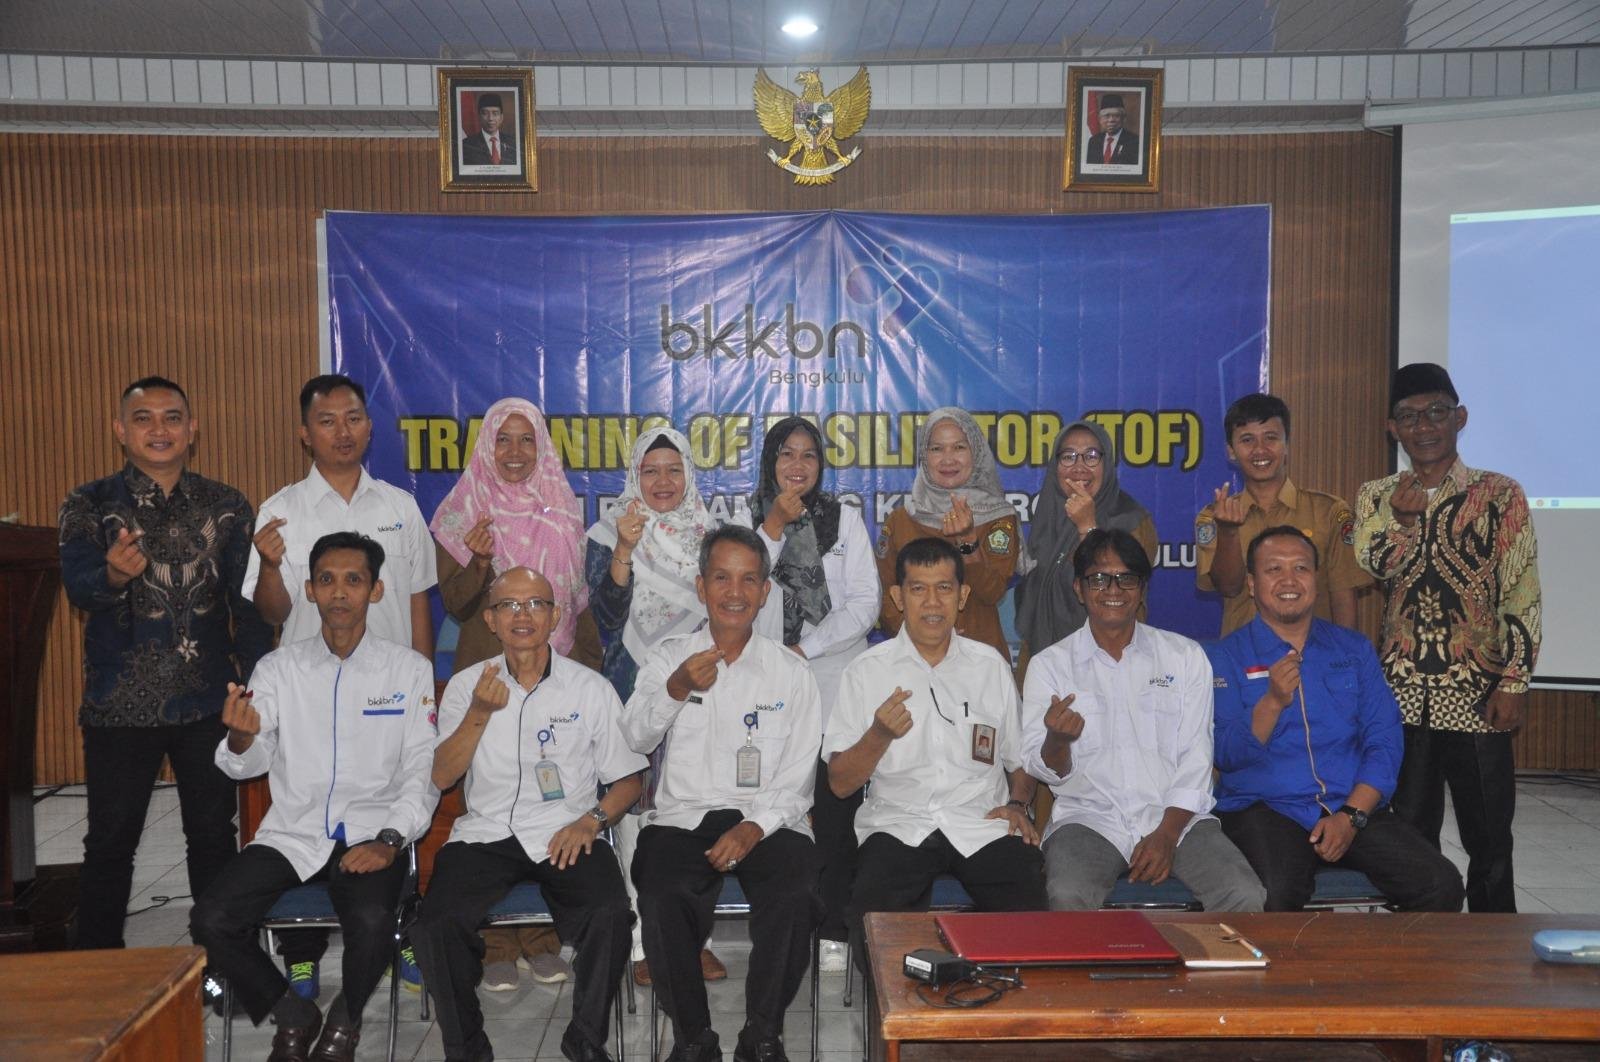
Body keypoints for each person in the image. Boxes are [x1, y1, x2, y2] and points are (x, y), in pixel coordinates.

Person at [190, 532, 437, 1062]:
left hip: (373, 832)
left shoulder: (409, 670)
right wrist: (240, 738)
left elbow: (423, 771)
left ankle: (344, 1023)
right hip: (293, 831)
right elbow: (248, 762)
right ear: (309, 590)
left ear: (375, 590)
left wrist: (391, 839)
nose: (339, 592)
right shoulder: (278, 669)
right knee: (211, 917)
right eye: (326, 580)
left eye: (353, 580)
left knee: (373, 920)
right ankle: (291, 1014)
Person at [58, 375, 272, 950]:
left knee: (212, 837)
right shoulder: (89, 503)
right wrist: (111, 576)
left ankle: (224, 967)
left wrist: (255, 689)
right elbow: (78, 589)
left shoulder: (227, 506)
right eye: (144, 418)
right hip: (120, 704)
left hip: (208, 700)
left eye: (172, 417)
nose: (159, 429)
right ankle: (101, 972)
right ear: (120, 430)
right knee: (110, 843)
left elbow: (248, 609)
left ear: (192, 429)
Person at [244, 372, 438, 995]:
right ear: (305, 434)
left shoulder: (399, 507)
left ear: (369, 426)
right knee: (307, 814)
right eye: (326, 421)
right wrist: (270, 565)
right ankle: (301, 955)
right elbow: (272, 613)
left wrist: (423, 687)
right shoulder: (280, 511)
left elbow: (418, 603)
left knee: (392, 811)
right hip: (309, 695)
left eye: (352, 418)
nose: (342, 431)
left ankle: (397, 937)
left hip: (387, 695)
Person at [412, 567, 644, 1062]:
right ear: (491, 620)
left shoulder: (589, 688)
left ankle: (585, 1040)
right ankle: (466, 1047)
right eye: (509, 606)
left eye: (536, 603)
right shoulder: (466, 685)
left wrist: (592, 820)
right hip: (485, 833)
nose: (523, 615)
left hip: (568, 830)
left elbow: (629, 781)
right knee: (434, 925)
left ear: (555, 617)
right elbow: (442, 775)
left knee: (610, 915)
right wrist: (478, 713)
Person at [623, 525, 822, 1062]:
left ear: (765, 591)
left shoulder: (791, 672)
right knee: (660, 891)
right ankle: (693, 1039)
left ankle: (761, 1035)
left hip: (767, 818)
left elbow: (800, 776)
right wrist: (676, 688)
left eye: (749, 580)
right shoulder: (668, 658)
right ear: (701, 586)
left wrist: (755, 826)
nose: (735, 592)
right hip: (683, 817)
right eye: (721, 578)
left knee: (797, 891)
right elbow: (635, 738)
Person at [1354, 363, 1541, 912]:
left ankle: (1492, 945)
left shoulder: (1500, 494)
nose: (1425, 426)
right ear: (1392, 429)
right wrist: (1403, 523)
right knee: (1411, 839)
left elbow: (1522, 593)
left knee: (1490, 838)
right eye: (1409, 417)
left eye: (1437, 412)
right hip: (1401, 696)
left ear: (1460, 417)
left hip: (1478, 694)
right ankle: (1420, 946)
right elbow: (1372, 564)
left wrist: (1515, 682)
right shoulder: (1376, 495)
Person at [1205, 526, 1465, 913]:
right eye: (1274, 569)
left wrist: (1352, 815)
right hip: (1265, 808)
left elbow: (1384, 739)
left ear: (1316, 579)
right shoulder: (1224, 656)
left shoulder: (1353, 649)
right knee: (1275, 893)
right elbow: (1226, 754)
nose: (1289, 580)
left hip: (1349, 805)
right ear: (1252, 584)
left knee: (1440, 884)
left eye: (1301, 568)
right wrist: (1272, 703)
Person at [826, 537, 1046, 978]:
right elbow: (840, 783)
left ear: (962, 596)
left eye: (944, 588)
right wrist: (879, 734)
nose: (932, 602)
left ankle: (996, 1009)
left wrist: (1019, 804)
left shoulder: (990, 666)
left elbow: (1019, 758)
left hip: (980, 822)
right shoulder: (866, 671)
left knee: (1031, 917)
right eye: (918, 589)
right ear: (897, 597)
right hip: (898, 824)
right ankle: (905, 1017)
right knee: (874, 931)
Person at [430, 398, 592, 987]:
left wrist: (587, 669)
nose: (516, 452)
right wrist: (479, 560)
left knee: (550, 799)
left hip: (554, 674)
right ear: (487, 446)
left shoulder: (563, 508)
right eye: (504, 439)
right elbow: (456, 603)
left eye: (528, 440)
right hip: (489, 675)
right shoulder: (463, 511)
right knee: (493, 803)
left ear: (542, 446)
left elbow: (575, 600)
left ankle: (542, 937)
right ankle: (496, 944)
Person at [1021, 529, 1264, 911]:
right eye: (1098, 579)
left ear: (1142, 588)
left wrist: (1166, 834)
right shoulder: (1049, 666)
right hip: (1089, 819)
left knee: (1244, 894)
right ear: (1079, 589)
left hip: (1178, 820)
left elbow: (1197, 758)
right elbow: (1046, 769)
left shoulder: (1184, 657)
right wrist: (1058, 740)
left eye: (1126, 578)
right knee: (1067, 895)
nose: (1113, 589)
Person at [584, 427, 725, 986]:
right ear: (634, 476)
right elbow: (606, 618)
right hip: (631, 684)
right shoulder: (607, 532)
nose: (662, 481)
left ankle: (696, 939)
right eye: (650, 470)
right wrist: (625, 549)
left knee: (697, 808)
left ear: (688, 472)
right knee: (637, 816)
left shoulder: (711, 536)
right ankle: (644, 942)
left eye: (673, 469)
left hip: (700, 683)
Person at [749, 415, 878, 975]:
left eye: (808, 455)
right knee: (775, 800)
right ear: (770, 461)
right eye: (786, 453)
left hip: (834, 677)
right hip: (764, 681)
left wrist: (807, 648)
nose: (798, 465)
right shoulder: (746, 522)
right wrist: (774, 526)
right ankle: (782, 921)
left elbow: (865, 604)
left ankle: (833, 927)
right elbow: (741, 597)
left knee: (833, 807)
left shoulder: (843, 519)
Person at [1195, 393, 1370, 636]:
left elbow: (1343, 595)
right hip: (1242, 654)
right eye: (1247, 440)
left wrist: (1346, 656)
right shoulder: (1215, 516)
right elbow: (1229, 588)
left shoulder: (1328, 512)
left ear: (1286, 445)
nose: (1260, 450)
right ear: (1231, 451)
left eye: (1271, 438)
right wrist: (1228, 532)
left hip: (1312, 653)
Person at [875, 406, 1024, 662]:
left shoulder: (997, 517)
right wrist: (924, 640)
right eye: (936, 449)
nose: (948, 459)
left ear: (976, 452)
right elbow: (884, 594)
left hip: (979, 659)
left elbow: (992, 592)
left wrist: (968, 542)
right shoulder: (901, 520)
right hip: (913, 659)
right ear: (924, 456)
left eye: (959, 447)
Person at [1015, 419, 1156, 677]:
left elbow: (1121, 596)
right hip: (1043, 661)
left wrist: (1088, 527)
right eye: (1068, 456)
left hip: (1107, 665)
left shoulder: (1132, 521)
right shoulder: (1049, 516)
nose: (1079, 467)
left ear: (1107, 462)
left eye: (1091, 456)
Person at [461, 93, 516, 166]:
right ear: (479, 117)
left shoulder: (514, 143)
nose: (490, 118)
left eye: (495, 113)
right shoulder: (466, 145)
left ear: (501, 117)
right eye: (485, 113)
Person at [1085, 93, 1139, 166]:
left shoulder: (1134, 141)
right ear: (1100, 119)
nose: (1111, 120)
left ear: (1124, 118)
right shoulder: (1093, 141)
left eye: (1116, 115)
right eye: (1107, 116)